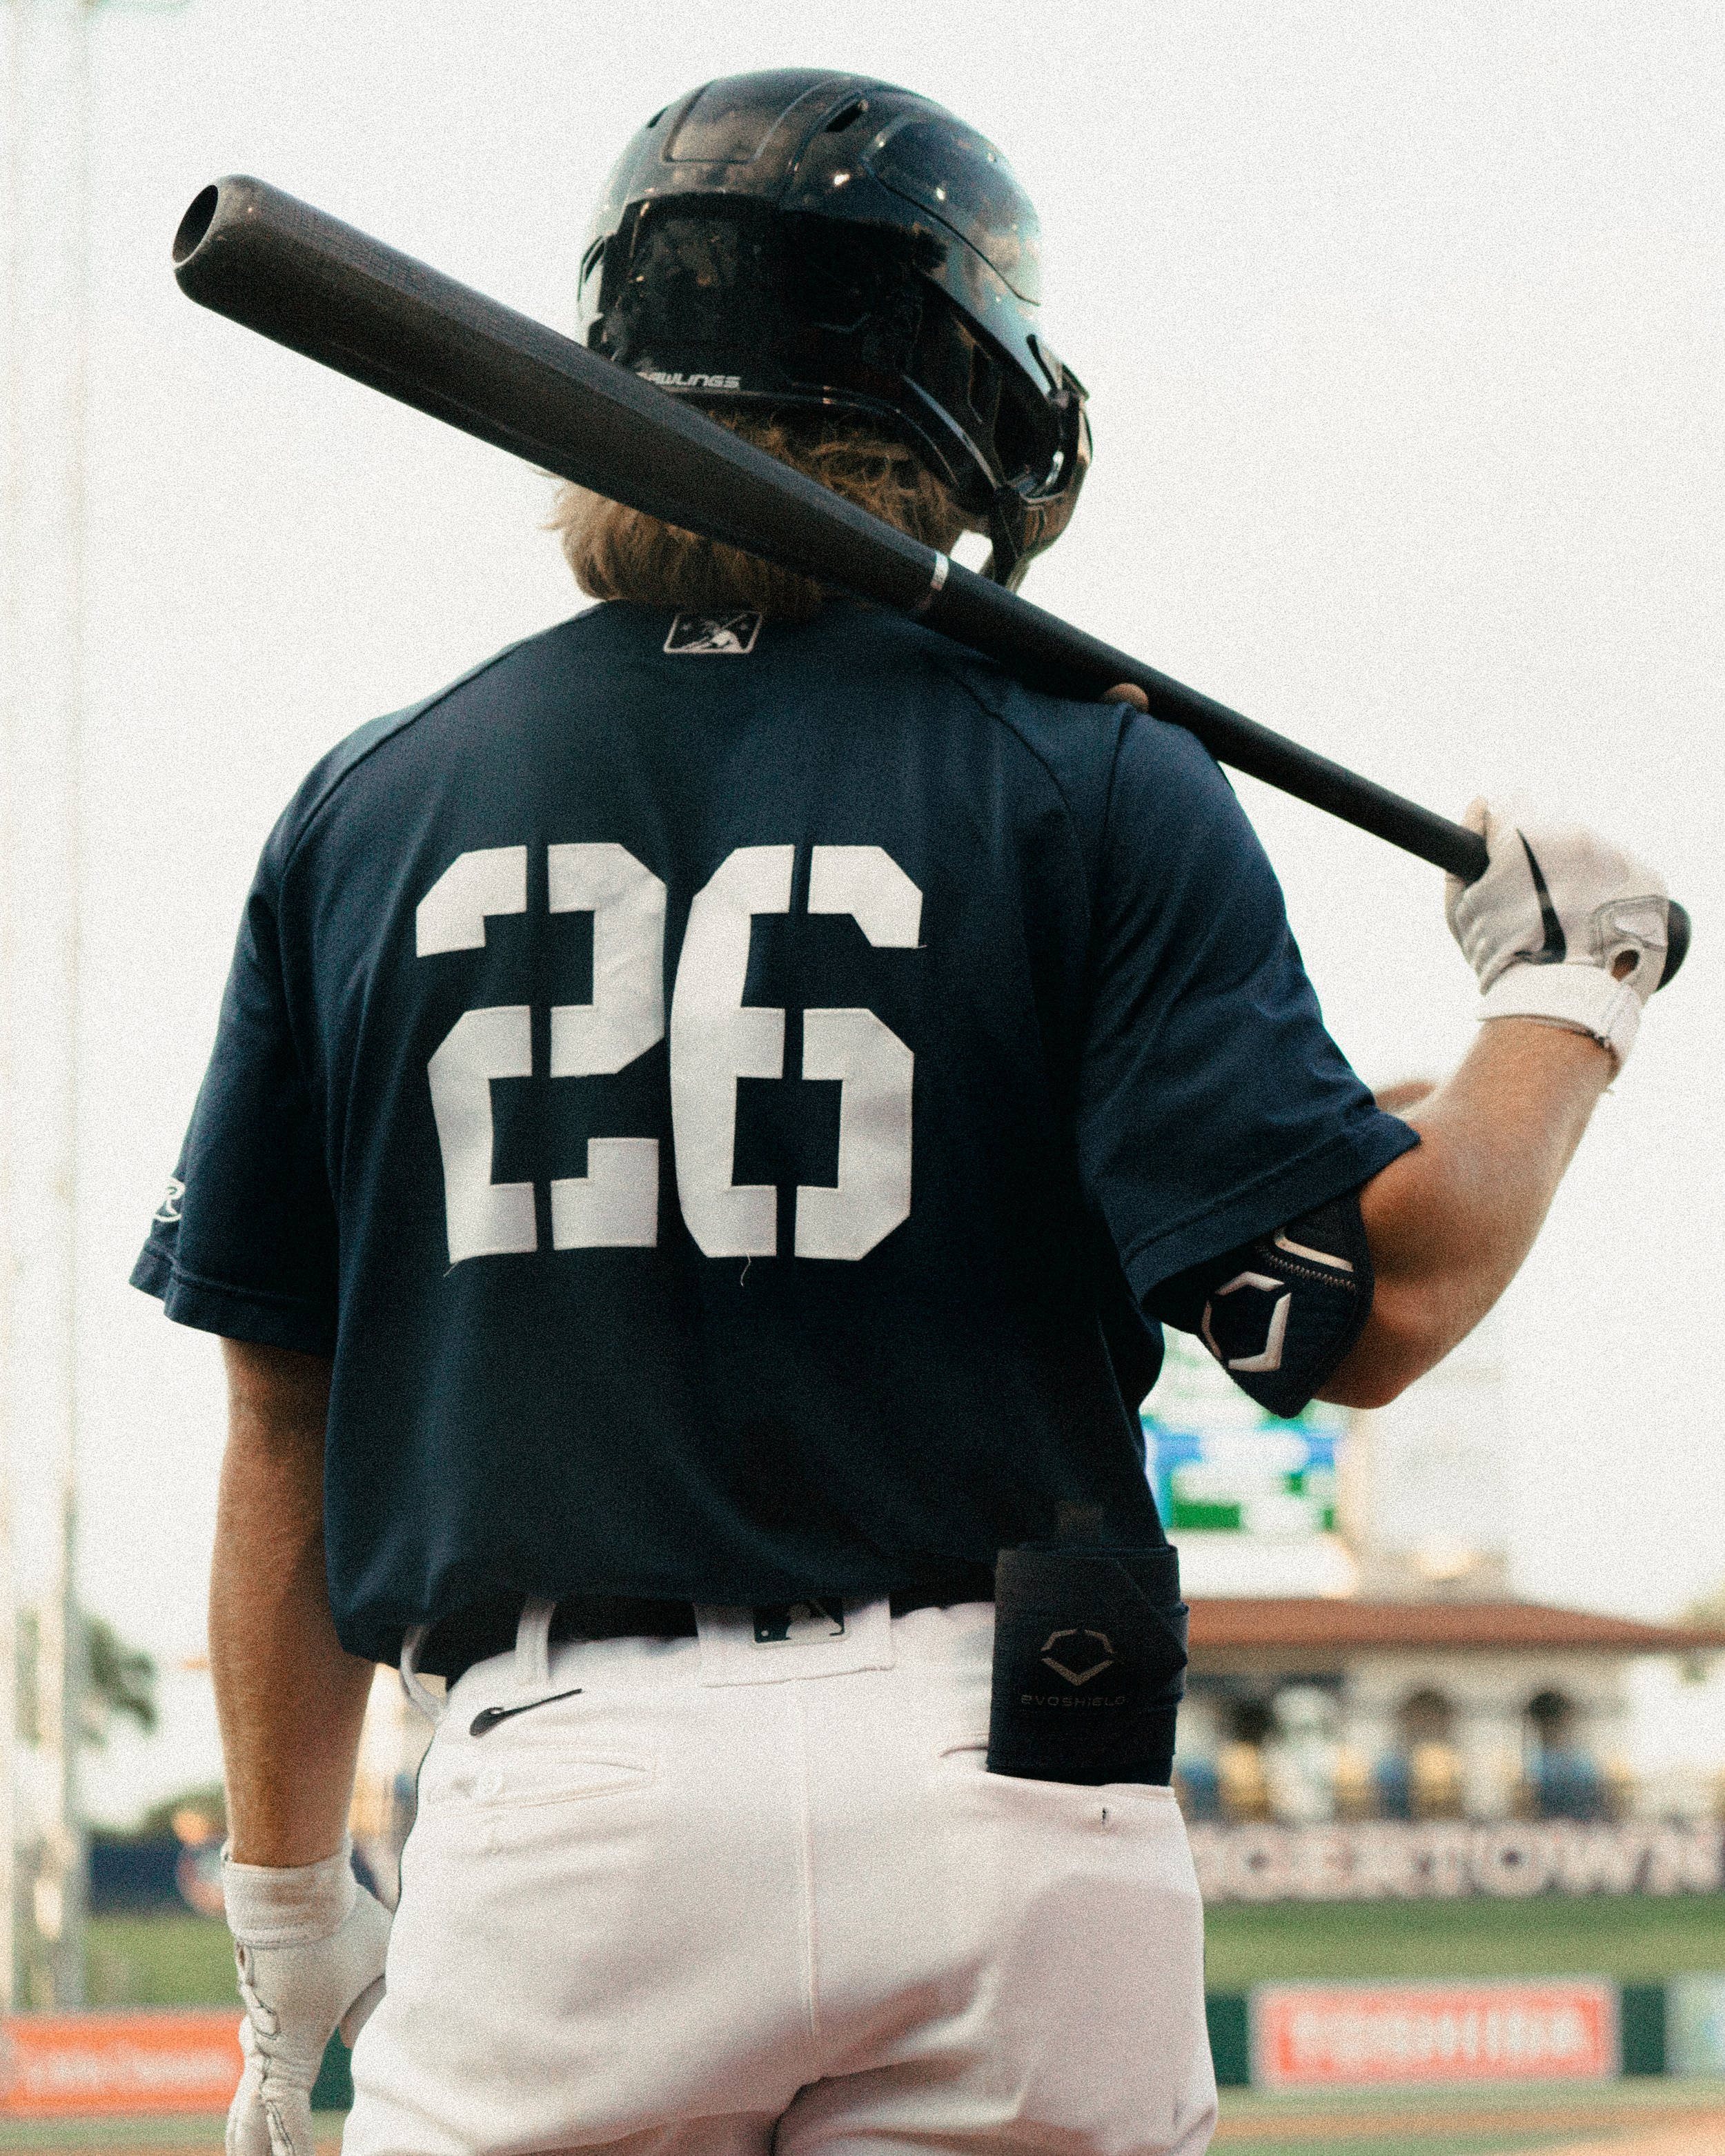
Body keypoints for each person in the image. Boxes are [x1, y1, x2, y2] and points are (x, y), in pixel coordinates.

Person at [133, 70, 1673, 2156]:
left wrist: (285, 1907)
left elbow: (290, 1425)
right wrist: (1562, 1004)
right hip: (1004, 1783)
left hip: (559, 1785)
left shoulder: (369, 807)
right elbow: (1361, 1305)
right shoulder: (1091, 776)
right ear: (969, 387)